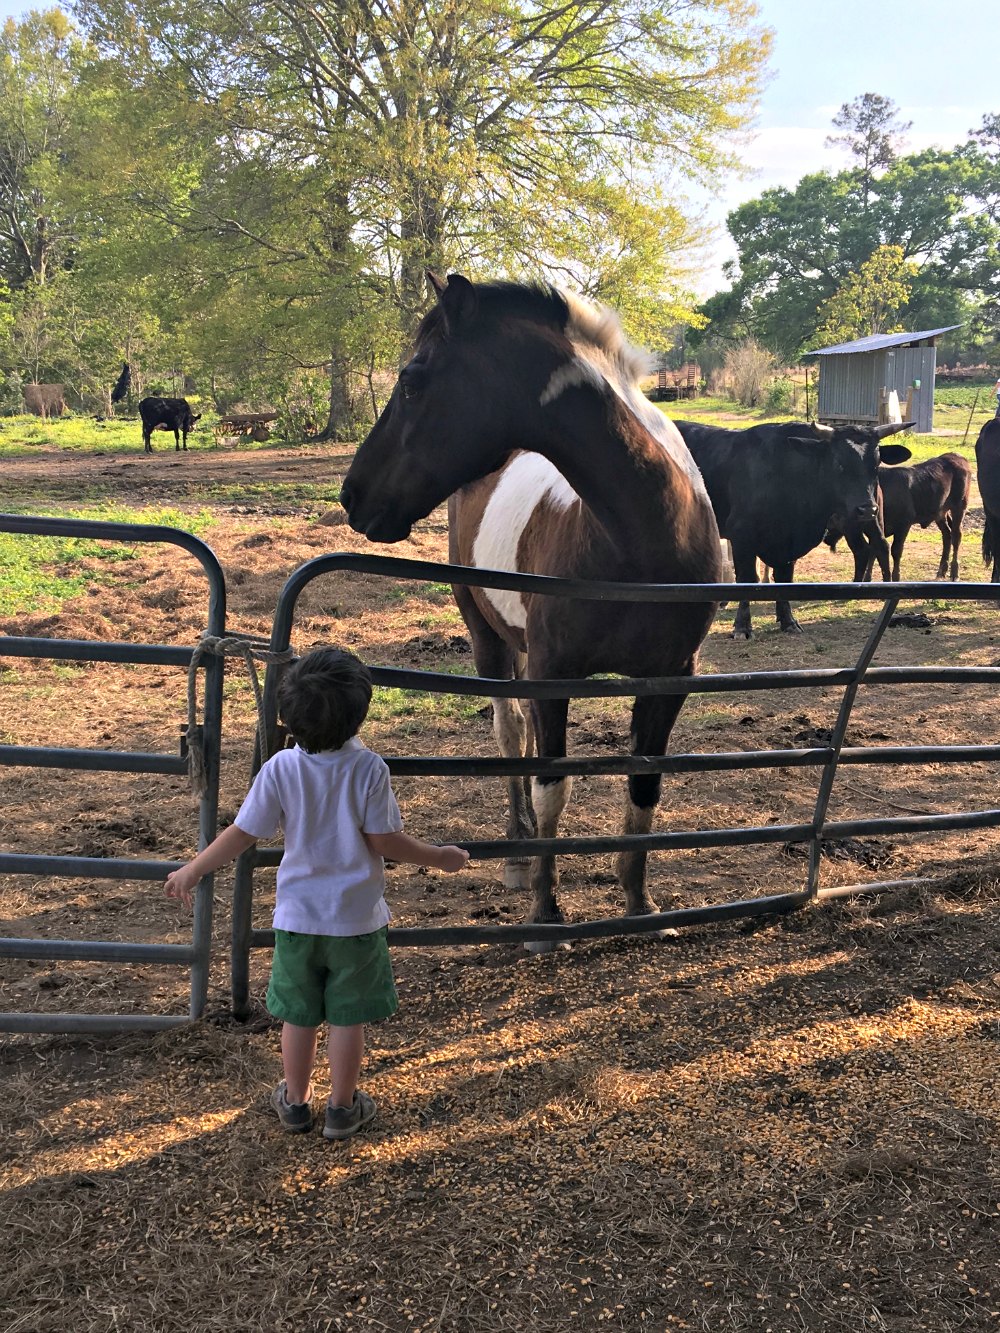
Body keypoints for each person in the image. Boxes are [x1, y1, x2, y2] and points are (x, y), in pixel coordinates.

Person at [165, 647, 469, 1140]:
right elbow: (383, 841)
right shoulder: (369, 769)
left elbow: (243, 833)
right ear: (359, 713)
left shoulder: (281, 768)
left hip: (298, 918)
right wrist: (440, 857)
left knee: (299, 1015)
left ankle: (295, 1100)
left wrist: (194, 868)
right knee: (348, 1018)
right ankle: (343, 1109)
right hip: (356, 919)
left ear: (288, 718)